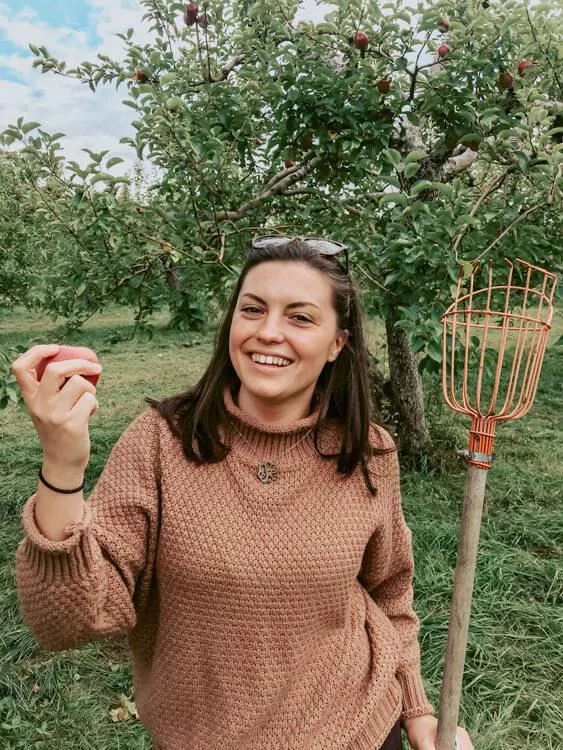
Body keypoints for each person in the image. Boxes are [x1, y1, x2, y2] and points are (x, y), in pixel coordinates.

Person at [11, 237, 474, 750]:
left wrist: (417, 709)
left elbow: (388, 590)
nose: (268, 333)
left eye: (300, 318)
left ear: (337, 344)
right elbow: (66, 622)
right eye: (252, 310)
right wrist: (62, 463)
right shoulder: (162, 442)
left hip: (356, 728)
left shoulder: (367, 451)